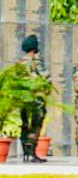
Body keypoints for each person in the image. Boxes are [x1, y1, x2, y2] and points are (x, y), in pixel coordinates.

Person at [18, 35, 46, 163]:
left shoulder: (20, 63)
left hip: (23, 100)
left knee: (25, 124)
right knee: (35, 125)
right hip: (35, 99)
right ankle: (32, 153)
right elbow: (46, 78)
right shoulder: (35, 62)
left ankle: (26, 153)